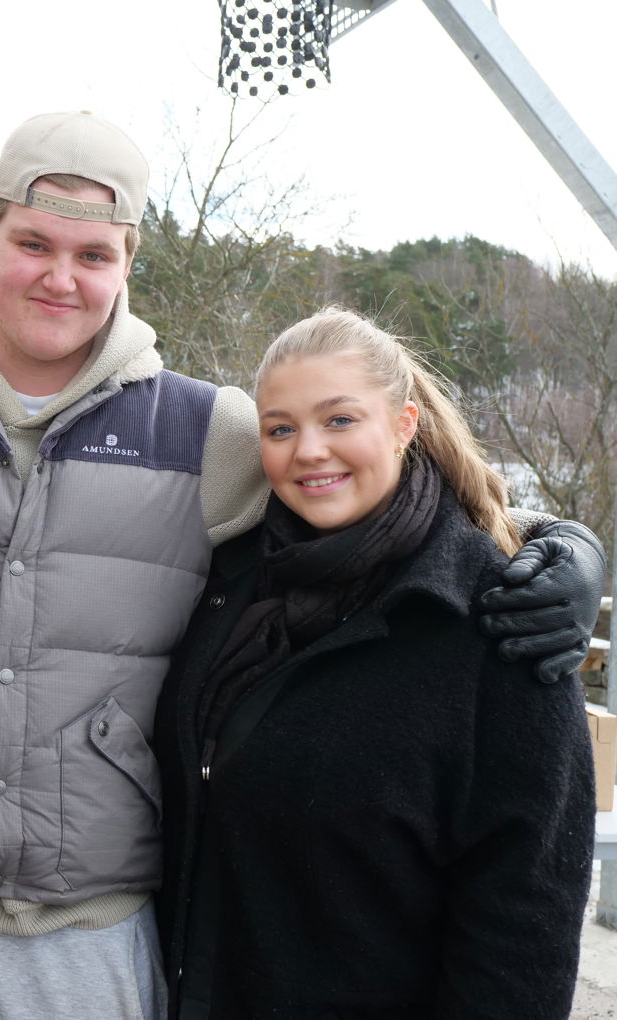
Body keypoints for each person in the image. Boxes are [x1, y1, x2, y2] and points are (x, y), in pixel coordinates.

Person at [0, 112, 603, 1017]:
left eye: (93, 254)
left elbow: (364, 489)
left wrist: (557, 543)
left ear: (127, 262)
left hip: (89, 922)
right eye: (35, 244)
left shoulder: (202, 432)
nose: (61, 277)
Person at [156, 306, 595, 1019]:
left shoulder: (498, 619)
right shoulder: (228, 582)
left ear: (403, 424)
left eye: (339, 420)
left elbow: (525, 920)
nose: (308, 451)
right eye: (280, 429)